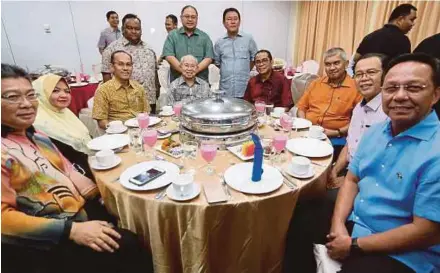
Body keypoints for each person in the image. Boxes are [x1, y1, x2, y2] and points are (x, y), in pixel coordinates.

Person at [284, 53, 440, 273]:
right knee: (300, 216)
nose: (400, 96)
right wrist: (338, 225)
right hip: (357, 221)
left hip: (406, 252)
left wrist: (353, 245)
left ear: (435, 94)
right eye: (391, 88)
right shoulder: (375, 131)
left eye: (413, 88)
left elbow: (427, 231)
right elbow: (352, 178)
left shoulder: (435, 150)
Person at [1, 63, 153, 273]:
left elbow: (69, 171)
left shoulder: (37, 136)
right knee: (130, 245)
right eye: (12, 97)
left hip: (77, 211)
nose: (27, 104)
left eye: (30, 95)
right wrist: (73, 231)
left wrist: (104, 198)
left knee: (141, 222)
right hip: (47, 241)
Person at [328, 53, 388, 189]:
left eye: (371, 72)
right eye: (359, 74)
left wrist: (349, 180)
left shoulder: (390, 112)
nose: (364, 79)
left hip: (370, 182)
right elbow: (350, 145)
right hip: (349, 170)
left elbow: (384, 163)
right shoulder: (359, 108)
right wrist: (335, 170)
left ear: (386, 76)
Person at [32, 74, 94, 180]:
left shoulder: (64, 113)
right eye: (55, 91)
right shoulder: (38, 124)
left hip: (88, 162)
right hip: (74, 175)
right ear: (41, 94)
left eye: (67, 91)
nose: (64, 95)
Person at [297, 47, 362, 138]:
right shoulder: (316, 83)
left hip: (336, 137)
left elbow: (359, 121)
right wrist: (304, 126)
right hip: (308, 132)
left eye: (336, 63)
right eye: (328, 64)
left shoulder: (356, 88)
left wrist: (337, 132)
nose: (332, 68)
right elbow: (301, 108)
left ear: (346, 64)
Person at [101, 13, 159, 113]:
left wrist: (157, 89)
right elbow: (106, 78)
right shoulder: (111, 49)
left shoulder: (149, 49)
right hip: (125, 104)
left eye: (137, 28)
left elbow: (154, 73)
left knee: (150, 127)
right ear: (123, 29)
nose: (134, 31)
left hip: (149, 100)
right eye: (129, 28)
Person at [94, 50, 150, 130]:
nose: (125, 68)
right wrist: (115, 128)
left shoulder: (138, 87)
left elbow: (146, 112)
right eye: (120, 64)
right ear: (112, 67)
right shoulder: (103, 90)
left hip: (140, 129)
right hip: (117, 134)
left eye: (128, 64)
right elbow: (101, 121)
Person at [162, 5, 214, 83]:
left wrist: (193, 71)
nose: (190, 19)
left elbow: (209, 58)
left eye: (193, 17)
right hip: (177, 86)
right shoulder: (172, 36)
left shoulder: (205, 37)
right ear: (181, 18)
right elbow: (169, 56)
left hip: (200, 86)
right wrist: (184, 71)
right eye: (187, 16)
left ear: (197, 19)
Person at [214, 7, 258, 98]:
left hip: (244, 87)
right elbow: (217, 63)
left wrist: (243, 70)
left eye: (235, 19)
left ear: (239, 21)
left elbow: (254, 59)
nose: (232, 22)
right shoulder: (219, 42)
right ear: (224, 23)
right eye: (229, 19)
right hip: (225, 89)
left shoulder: (248, 39)